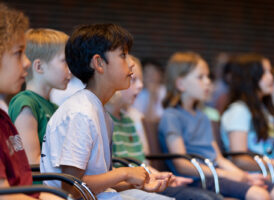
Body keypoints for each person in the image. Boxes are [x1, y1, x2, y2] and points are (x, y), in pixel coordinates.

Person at [40, 24, 174, 200]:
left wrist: (141, 181)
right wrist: (124, 173)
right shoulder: (81, 113)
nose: (131, 63)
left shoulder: (99, 111)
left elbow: (100, 183)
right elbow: (71, 187)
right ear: (99, 63)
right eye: (123, 55)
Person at [159, 51, 274, 199]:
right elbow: (181, 164)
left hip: (216, 174)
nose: (208, 82)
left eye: (208, 76)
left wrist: (243, 176)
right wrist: (226, 174)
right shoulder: (171, 116)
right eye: (200, 77)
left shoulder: (202, 116)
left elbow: (218, 158)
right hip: (199, 179)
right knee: (259, 194)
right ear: (180, 84)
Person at [106, 55, 223, 200]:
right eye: (133, 79)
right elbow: (114, 170)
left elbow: (142, 162)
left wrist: (159, 176)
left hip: (144, 180)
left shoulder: (130, 119)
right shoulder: (105, 120)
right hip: (128, 185)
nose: (141, 86)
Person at [0, 3, 63, 200]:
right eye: (18, 52)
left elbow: (24, 183)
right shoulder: (24, 104)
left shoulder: (2, 116)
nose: (27, 62)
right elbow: (6, 195)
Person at [220, 53, 274, 195]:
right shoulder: (239, 111)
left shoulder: (264, 109)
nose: (271, 77)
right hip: (257, 172)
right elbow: (239, 159)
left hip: (273, 168)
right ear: (250, 78)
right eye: (265, 73)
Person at [8, 28, 71, 165]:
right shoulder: (25, 103)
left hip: (58, 182)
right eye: (65, 61)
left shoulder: (55, 108)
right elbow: (32, 163)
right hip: (42, 185)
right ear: (39, 66)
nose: (70, 68)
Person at [133, 58, 166, 123]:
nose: (151, 76)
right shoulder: (137, 94)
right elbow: (146, 122)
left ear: (160, 75)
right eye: (147, 73)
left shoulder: (165, 91)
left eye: (154, 72)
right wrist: (151, 96)